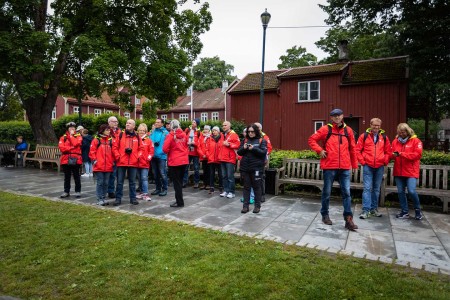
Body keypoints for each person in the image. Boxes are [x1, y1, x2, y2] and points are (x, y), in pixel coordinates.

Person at [308, 108, 359, 231]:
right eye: (334, 116)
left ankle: (348, 219)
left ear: (342, 116)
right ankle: (325, 214)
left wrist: (354, 165)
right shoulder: (326, 129)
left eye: (339, 115)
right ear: (331, 117)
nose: (337, 117)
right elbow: (311, 140)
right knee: (327, 192)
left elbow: (353, 149)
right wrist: (319, 150)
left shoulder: (349, 130)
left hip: (345, 167)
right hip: (330, 166)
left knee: (346, 193)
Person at [355, 118, 392, 219]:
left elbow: (389, 151)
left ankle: (373, 209)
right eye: (374, 125)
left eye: (378, 126)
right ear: (370, 125)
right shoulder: (364, 136)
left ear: (380, 126)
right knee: (367, 188)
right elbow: (357, 150)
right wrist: (363, 162)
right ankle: (365, 210)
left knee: (376, 189)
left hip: (379, 167)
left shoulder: (384, 137)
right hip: (368, 166)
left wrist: (385, 161)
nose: (376, 127)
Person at [391, 123, 424, 220]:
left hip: (411, 172)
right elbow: (391, 153)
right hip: (399, 171)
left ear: (408, 131)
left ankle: (418, 210)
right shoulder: (395, 141)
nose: (401, 134)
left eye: (403, 132)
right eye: (400, 132)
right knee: (401, 192)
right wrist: (392, 155)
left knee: (411, 191)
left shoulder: (416, 141)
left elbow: (417, 155)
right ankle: (404, 211)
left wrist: (401, 154)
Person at [237, 124, 268, 214]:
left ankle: (257, 206)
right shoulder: (244, 140)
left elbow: (263, 153)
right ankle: (245, 207)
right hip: (245, 168)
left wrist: (253, 148)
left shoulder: (262, 140)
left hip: (256, 168)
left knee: (257, 187)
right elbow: (239, 152)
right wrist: (244, 148)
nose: (250, 133)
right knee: (246, 187)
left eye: (252, 131)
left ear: (256, 132)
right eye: (249, 132)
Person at [112, 119, 143, 206]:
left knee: (132, 182)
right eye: (127, 123)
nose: (127, 124)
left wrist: (137, 157)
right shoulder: (120, 135)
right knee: (119, 182)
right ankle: (118, 199)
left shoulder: (137, 136)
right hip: (121, 162)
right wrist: (118, 156)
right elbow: (114, 147)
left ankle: (133, 198)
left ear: (134, 126)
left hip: (133, 162)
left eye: (130, 123)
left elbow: (141, 149)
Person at [163, 119, 189, 207]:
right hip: (184, 160)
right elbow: (186, 146)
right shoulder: (184, 134)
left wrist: (171, 151)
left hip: (175, 161)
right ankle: (180, 200)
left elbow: (165, 149)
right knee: (180, 182)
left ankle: (179, 202)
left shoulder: (170, 135)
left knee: (176, 183)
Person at [89, 124, 114, 206]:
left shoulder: (110, 140)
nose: (109, 131)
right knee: (100, 182)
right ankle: (99, 198)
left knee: (106, 183)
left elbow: (113, 152)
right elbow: (92, 152)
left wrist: (113, 161)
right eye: (107, 130)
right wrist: (95, 161)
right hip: (99, 166)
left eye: (109, 130)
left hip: (108, 166)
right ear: (102, 130)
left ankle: (103, 198)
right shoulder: (96, 140)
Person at [58, 121, 83, 198]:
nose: (72, 129)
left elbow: (76, 143)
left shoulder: (78, 136)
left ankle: (78, 191)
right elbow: (62, 148)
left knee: (76, 176)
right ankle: (66, 191)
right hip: (65, 159)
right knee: (67, 177)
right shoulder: (63, 137)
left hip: (76, 159)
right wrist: (71, 148)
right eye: (70, 128)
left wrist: (72, 136)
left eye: (73, 127)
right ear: (68, 129)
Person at [218, 121, 240, 198]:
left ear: (229, 126)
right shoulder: (222, 135)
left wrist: (230, 144)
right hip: (222, 158)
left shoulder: (234, 135)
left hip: (230, 159)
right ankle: (226, 191)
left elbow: (238, 145)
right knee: (224, 176)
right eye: (223, 125)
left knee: (230, 176)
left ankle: (232, 192)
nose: (223, 126)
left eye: (225, 125)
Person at [254, 122, 273, 202]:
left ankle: (262, 195)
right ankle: (254, 194)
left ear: (260, 129)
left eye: (256, 127)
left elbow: (269, 148)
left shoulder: (265, 137)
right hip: (252, 160)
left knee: (260, 178)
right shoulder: (251, 136)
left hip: (261, 161)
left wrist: (263, 155)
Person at [150, 118, 169, 196]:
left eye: (158, 122)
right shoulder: (153, 132)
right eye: (155, 122)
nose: (156, 123)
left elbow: (167, 144)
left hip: (161, 156)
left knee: (162, 173)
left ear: (162, 124)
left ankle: (165, 189)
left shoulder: (166, 133)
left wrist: (163, 152)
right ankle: (158, 188)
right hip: (153, 155)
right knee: (155, 173)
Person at [136, 123, 154, 201]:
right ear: (138, 131)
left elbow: (151, 151)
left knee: (144, 179)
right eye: (140, 130)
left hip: (145, 163)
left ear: (146, 131)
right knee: (139, 179)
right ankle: (141, 192)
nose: (142, 132)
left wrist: (148, 159)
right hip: (136, 163)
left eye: (143, 130)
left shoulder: (149, 140)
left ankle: (145, 194)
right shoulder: (135, 139)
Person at [183, 118, 201, 188]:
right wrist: (186, 143)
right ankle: (185, 181)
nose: (192, 123)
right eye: (192, 122)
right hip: (188, 152)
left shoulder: (199, 132)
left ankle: (196, 182)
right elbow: (184, 139)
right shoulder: (188, 130)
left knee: (196, 168)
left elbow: (200, 143)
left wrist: (195, 143)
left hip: (195, 153)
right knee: (185, 167)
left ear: (197, 124)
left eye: (194, 122)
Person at [107, 116, 121, 198]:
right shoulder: (106, 131)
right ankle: (110, 191)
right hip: (110, 157)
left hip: (119, 157)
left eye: (116, 121)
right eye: (113, 121)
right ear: (109, 123)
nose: (116, 123)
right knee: (111, 175)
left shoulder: (120, 132)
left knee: (118, 175)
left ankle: (118, 190)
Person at [206, 126, 224, 194]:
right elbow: (206, 149)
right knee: (211, 174)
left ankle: (221, 187)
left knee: (220, 174)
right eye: (213, 131)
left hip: (219, 159)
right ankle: (211, 187)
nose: (214, 132)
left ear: (218, 131)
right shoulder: (209, 139)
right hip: (211, 159)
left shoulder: (222, 138)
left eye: (215, 130)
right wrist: (208, 156)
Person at [198, 125, 211, 190]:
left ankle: (208, 183)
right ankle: (204, 183)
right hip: (203, 157)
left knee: (209, 171)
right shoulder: (201, 137)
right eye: (205, 129)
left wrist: (207, 155)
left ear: (209, 130)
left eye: (207, 129)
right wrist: (202, 154)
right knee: (204, 170)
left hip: (209, 157)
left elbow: (211, 147)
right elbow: (199, 147)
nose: (205, 130)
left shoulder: (211, 137)